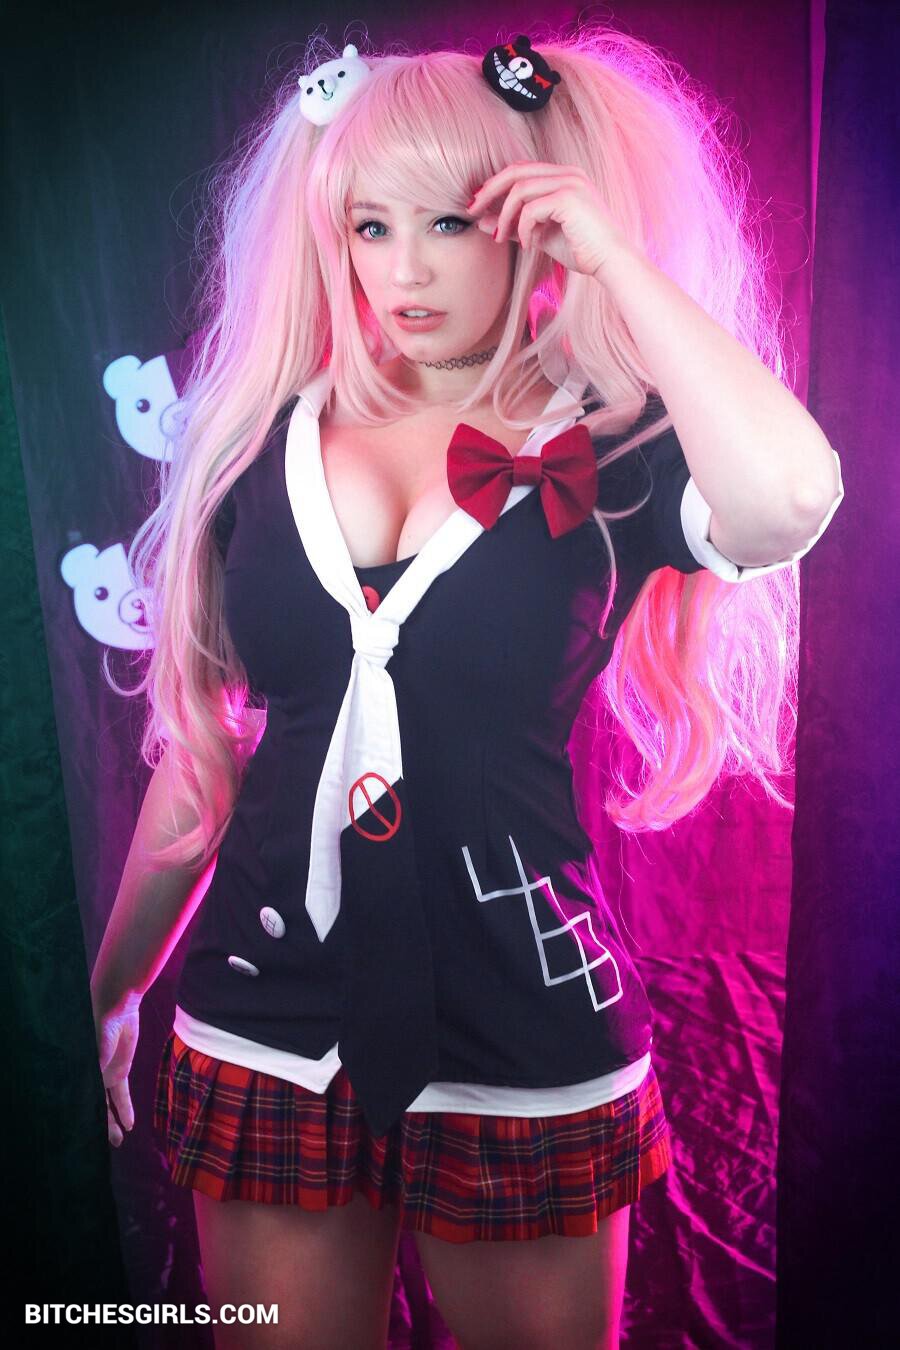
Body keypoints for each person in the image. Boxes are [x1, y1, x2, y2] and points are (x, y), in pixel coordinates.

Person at [89, 27, 844, 1350]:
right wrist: (111, 988)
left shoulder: (614, 449)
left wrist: (616, 263)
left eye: (449, 220)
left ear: (529, 223)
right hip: (267, 1013)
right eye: (370, 226)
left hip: (525, 1012)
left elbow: (789, 497)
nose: (406, 269)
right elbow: (203, 756)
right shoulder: (254, 447)